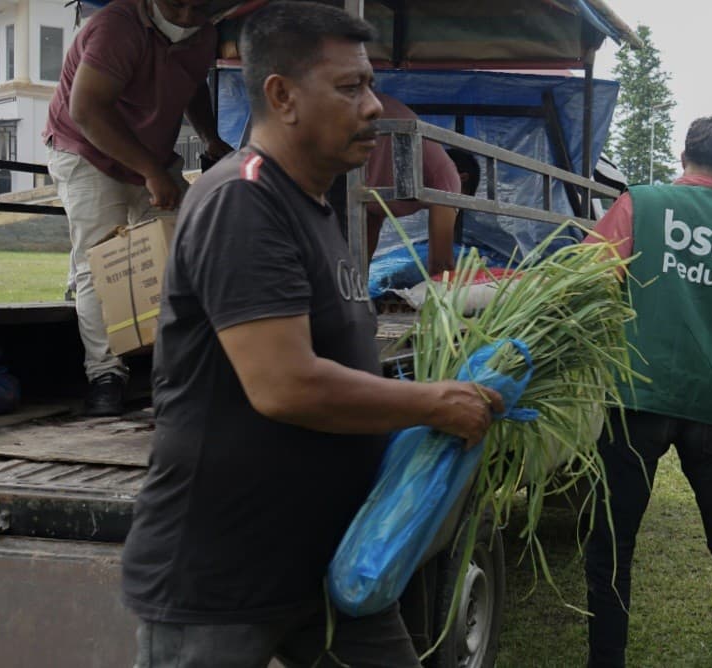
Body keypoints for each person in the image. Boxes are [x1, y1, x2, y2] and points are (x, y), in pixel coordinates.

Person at [119, 3, 503, 666]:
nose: (376, 107)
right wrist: (434, 403)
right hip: (223, 579)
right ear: (282, 96)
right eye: (351, 87)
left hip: (329, 565)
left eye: (371, 85)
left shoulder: (318, 206)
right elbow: (285, 385)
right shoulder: (243, 202)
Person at [583, 115, 712, 668]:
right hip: (711, 409)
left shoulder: (637, 204)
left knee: (614, 545)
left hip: (636, 400)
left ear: (684, 154)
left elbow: (593, 282)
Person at [43, 0, 233, 416]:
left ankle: (178, 367)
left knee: (181, 253)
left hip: (152, 153)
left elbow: (193, 84)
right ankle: (105, 374)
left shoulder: (202, 34)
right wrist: (152, 171)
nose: (186, 18)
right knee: (97, 259)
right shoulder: (117, 27)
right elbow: (87, 109)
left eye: (199, 11)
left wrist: (211, 138)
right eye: (179, 7)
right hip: (87, 149)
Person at [362, 92, 462, 274]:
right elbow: (441, 265)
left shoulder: (377, 187)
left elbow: (370, 219)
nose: (455, 213)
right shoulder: (449, 176)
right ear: (464, 179)